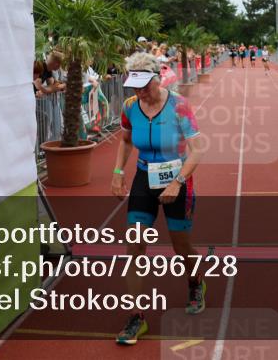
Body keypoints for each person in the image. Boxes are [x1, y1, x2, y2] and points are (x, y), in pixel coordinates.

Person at [111, 52, 206, 345]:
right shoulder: (130, 107)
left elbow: (198, 150)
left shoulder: (179, 106)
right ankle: (136, 317)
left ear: (157, 78)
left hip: (178, 178)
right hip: (144, 178)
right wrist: (117, 171)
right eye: (134, 86)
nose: (139, 91)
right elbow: (126, 141)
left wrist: (177, 182)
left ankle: (195, 282)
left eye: (144, 85)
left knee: (181, 246)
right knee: (134, 246)